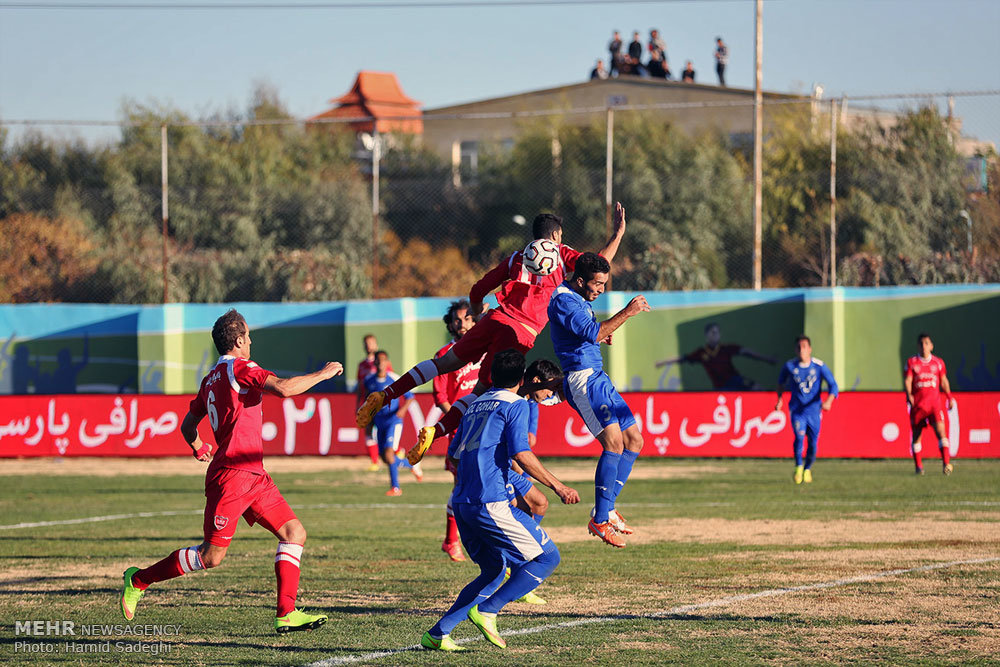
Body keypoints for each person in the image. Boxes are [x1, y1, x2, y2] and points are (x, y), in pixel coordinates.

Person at [119, 309, 343, 633]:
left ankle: (286, 612)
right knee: (211, 557)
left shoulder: (209, 378)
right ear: (238, 340)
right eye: (248, 336)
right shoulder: (241, 368)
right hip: (232, 477)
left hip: (254, 475)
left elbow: (187, 425)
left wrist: (197, 446)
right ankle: (139, 579)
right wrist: (323, 373)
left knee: (295, 534)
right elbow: (282, 388)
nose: (251, 341)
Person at [357, 204, 627, 463]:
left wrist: (476, 313)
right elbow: (597, 265)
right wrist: (617, 235)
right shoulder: (561, 253)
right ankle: (435, 432)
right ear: (556, 235)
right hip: (519, 335)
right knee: (481, 390)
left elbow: (477, 290)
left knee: (444, 363)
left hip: (495, 317)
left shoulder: (516, 258)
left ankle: (385, 394)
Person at [419, 350, 580, 652]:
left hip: (462, 503)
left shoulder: (473, 403)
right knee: (547, 558)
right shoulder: (517, 405)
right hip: (488, 502)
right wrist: (558, 485)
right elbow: (521, 452)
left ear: (491, 375)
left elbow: (454, 452)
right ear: (521, 379)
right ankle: (488, 610)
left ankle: (438, 633)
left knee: (493, 569)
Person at [548, 252, 650, 548]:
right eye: (598, 284)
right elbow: (592, 332)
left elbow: (588, 334)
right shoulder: (564, 300)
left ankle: (606, 509)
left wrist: (619, 233)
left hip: (598, 376)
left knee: (635, 440)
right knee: (614, 444)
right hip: (582, 379)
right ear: (580, 281)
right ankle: (600, 519)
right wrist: (627, 313)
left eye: (605, 283)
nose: (601, 289)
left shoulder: (578, 296)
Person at [433, 299, 482, 561]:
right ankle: (452, 540)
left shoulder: (485, 350)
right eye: (456, 319)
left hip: (487, 427)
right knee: (461, 486)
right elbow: (440, 394)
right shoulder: (445, 354)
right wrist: (457, 417)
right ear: (450, 323)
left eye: (467, 318)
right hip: (462, 429)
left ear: (475, 321)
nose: (461, 323)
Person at [775, 335, 838, 484]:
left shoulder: (819, 366)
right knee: (799, 437)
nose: (801, 350)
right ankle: (798, 467)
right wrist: (779, 400)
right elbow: (780, 383)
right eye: (799, 347)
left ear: (810, 349)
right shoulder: (790, 366)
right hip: (797, 411)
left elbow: (833, 386)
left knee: (813, 443)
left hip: (814, 412)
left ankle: (807, 468)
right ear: (795, 350)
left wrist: (829, 401)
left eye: (804, 346)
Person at [364, 350, 424, 495]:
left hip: (393, 421)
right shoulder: (369, 380)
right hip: (379, 422)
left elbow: (410, 396)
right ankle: (411, 464)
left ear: (387, 362)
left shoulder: (394, 379)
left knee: (390, 454)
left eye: (383, 360)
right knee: (385, 458)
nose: (380, 363)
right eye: (378, 360)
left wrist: (402, 410)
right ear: (375, 363)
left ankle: (395, 488)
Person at [655, 322, 777, 390]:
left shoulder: (725, 349)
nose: (716, 335)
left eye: (718, 332)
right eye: (713, 332)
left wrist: (767, 359)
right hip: (722, 388)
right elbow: (683, 358)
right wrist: (662, 362)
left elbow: (746, 352)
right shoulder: (701, 353)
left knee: (757, 387)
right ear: (706, 335)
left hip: (736, 381)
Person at [904, 333, 955, 475]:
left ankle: (946, 465)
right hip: (918, 406)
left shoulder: (938, 363)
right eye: (921, 343)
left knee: (941, 433)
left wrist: (949, 397)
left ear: (931, 346)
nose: (924, 346)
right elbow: (908, 380)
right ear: (918, 346)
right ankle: (919, 467)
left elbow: (944, 381)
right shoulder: (912, 362)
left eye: (927, 343)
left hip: (935, 405)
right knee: (916, 436)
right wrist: (909, 395)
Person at [357, 334, 390, 471]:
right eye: (366, 343)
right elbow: (360, 386)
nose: (368, 346)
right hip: (368, 403)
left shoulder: (381, 361)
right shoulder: (362, 365)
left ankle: (398, 452)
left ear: (376, 344)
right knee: (368, 430)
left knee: (384, 432)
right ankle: (375, 461)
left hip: (382, 404)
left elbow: (390, 380)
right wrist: (358, 405)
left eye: (371, 343)